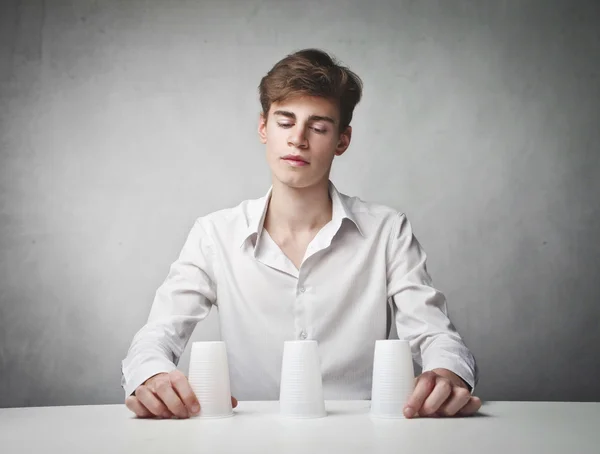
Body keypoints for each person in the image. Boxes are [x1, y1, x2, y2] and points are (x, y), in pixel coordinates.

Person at [121, 48, 481, 420]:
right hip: (247, 439)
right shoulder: (215, 234)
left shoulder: (387, 231)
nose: (298, 139)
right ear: (264, 128)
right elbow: (156, 336)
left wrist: (447, 373)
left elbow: (436, 335)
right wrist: (151, 375)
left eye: (319, 127)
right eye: (285, 122)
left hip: (362, 438)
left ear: (342, 140)